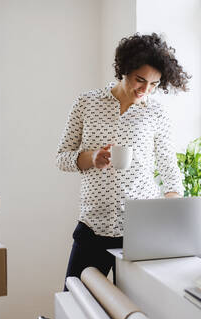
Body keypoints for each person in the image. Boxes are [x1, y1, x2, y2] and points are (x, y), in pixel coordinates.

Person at [56, 33, 190, 289]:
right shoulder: (87, 103)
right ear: (124, 69)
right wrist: (92, 157)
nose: (145, 90)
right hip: (92, 226)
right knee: (72, 299)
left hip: (140, 231)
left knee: (132, 310)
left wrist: (171, 213)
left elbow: (169, 169)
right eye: (140, 80)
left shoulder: (156, 112)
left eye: (154, 84)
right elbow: (62, 157)